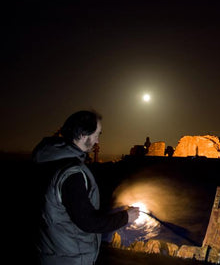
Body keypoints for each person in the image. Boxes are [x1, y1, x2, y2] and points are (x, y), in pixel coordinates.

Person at [32, 110, 140, 265]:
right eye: (97, 135)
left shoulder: (49, 161)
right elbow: (88, 222)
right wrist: (126, 217)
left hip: (51, 249)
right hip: (70, 257)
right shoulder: (71, 173)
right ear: (83, 135)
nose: (97, 141)